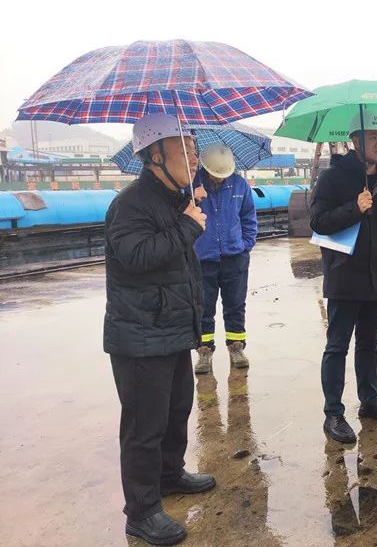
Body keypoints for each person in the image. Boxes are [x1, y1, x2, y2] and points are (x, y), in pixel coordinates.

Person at [104, 114, 216, 545]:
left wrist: (187, 215)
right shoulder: (130, 204)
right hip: (140, 336)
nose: (194, 157)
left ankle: (170, 475)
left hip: (170, 329)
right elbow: (136, 256)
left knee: (176, 411)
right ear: (154, 154)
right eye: (184, 149)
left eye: (194, 149)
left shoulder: (174, 199)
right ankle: (142, 511)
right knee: (144, 427)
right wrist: (187, 224)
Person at [309, 109, 377, 443]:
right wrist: (354, 209)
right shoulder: (332, 179)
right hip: (344, 277)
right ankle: (333, 412)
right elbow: (318, 222)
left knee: (369, 342)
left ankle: (370, 400)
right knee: (337, 346)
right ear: (355, 141)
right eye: (373, 137)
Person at [192, 144, 258, 374]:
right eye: (215, 174)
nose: (219, 178)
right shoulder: (192, 186)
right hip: (203, 258)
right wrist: (192, 198)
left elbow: (248, 217)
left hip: (234, 257)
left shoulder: (239, 185)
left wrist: (245, 245)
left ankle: (236, 347)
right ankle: (204, 350)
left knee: (235, 305)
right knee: (203, 306)